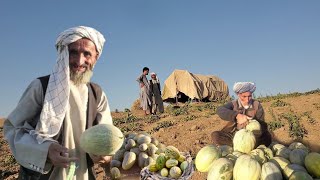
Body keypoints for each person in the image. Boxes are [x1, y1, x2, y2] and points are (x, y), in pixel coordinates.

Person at [4, 26, 113, 180]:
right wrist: (45, 150)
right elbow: (13, 129)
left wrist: (106, 153)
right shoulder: (40, 86)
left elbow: (107, 132)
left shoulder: (97, 93)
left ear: (96, 57)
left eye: (87, 54)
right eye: (73, 52)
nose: (80, 61)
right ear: (63, 53)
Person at [211, 82, 272, 147]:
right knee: (216, 135)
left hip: (253, 137)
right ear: (238, 94)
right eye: (244, 96)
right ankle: (240, 146)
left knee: (267, 137)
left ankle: (243, 146)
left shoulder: (257, 105)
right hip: (235, 136)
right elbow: (220, 110)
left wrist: (253, 124)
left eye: (249, 96)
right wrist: (236, 116)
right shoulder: (233, 104)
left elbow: (262, 124)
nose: (247, 99)